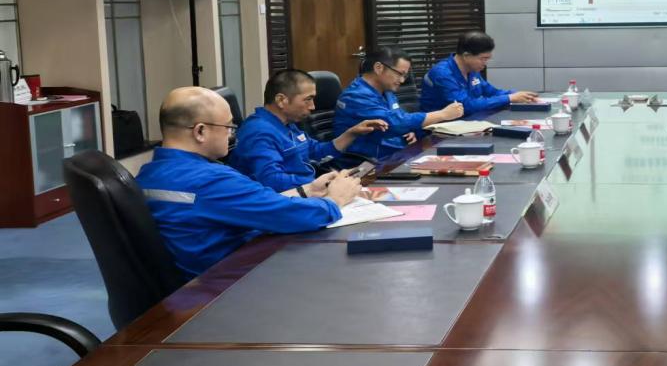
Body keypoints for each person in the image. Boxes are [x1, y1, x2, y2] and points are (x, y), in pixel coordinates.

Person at [135, 87, 361, 277]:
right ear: (200, 131)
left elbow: (249, 203)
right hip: (229, 284)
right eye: (228, 127)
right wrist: (335, 199)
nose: (231, 135)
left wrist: (307, 189)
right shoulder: (210, 180)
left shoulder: (148, 174)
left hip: (197, 281)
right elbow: (291, 215)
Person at [229, 69, 388, 191]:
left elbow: (316, 152)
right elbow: (272, 181)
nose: (313, 107)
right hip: (282, 202)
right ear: (281, 100)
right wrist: (326, 182)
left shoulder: (287, 124)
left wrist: (351, 133)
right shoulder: (259, 132)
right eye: (308, 99)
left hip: (305, 192)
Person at [334, 46, 464, 160]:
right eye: (400, 74)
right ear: (379, 68)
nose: (402, 80)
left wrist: (408, 132)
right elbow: (394, 123)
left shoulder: (386, 91)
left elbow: (399, 118)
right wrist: (443, 114)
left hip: (394, 155)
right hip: (366, 163)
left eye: (405, 76)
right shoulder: (355, 96)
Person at [419, 31, 539, 115]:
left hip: (468, 122)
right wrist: (509, 98)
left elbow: (491, 92)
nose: (485, 63)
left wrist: (517, 95)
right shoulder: (442, 73)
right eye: (483, 59)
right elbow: (465, 106)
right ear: (466, 56)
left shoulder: (472, 70)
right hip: (438, 129)